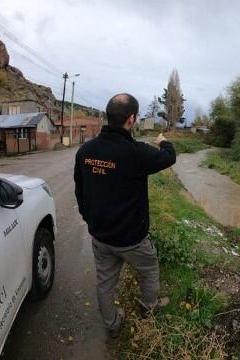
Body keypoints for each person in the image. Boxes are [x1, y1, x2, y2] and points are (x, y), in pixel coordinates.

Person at [74, 93, 176, 337]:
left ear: (108, 117)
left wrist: (90, 219)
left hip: (100, 235)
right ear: (132, 119)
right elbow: (169, 157)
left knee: (105, 282)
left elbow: (80, 191)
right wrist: (163, 141)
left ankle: (112, 325)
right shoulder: (136, 153)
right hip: (132, 239)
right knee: (149, 269)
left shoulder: (85, 151)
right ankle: (148, 308)